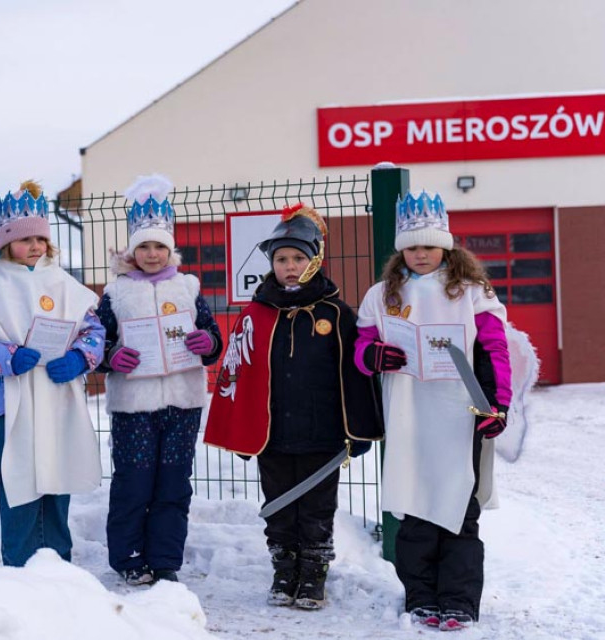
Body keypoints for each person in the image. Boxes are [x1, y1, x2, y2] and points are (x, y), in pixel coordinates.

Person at [203, 203, 383, 609]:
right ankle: (284, 573)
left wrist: (358, 429)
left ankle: (313, 578)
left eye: (298, 258)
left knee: (317, 510)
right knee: (278, 507)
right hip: (273, 434)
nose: (289, 265)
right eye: (282, 258)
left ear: (315, 259)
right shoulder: (256, 313)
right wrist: (237, 426)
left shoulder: (337, 314)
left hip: (323, 434)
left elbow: (355, 375)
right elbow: (236, 372)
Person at [354, 191, 511, 631]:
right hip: (408, 411)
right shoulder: (382, 294)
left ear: (446, 246)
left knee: (459, 505)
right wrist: (376, 356)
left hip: (460, 413)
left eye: (429, 245)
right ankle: (421, 595)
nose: (420, 254)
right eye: (412, 246)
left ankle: (458, 600)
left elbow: (494, 347)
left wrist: (496, 404)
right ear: (401, 249)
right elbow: (362, 345)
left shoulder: (472, 292)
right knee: (415, 504)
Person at [0, 181, 105, 567]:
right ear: (6, 243)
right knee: (20, 478)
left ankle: (57, 559)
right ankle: (19, 561)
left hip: (56, 395)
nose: (34, 246)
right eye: (24, 239)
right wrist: (6, 356)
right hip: (10, 398)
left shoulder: (63, 282)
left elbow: (93, 331)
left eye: (40, 238)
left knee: (56, 474)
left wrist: (79, 358)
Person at [94, 175, 222, 586]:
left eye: (159, 246)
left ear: (171, 250)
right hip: (135, 404)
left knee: (173, 483)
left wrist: (209, 342)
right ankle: (130, 557)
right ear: (133, 250)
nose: (152, 254)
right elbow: (98, 344)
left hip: (182, 403)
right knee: (134, 482)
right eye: (144, 246)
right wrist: (113, 356)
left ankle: (165, 560)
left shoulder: (188, 288)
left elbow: (211, 335)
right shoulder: (116, 293)